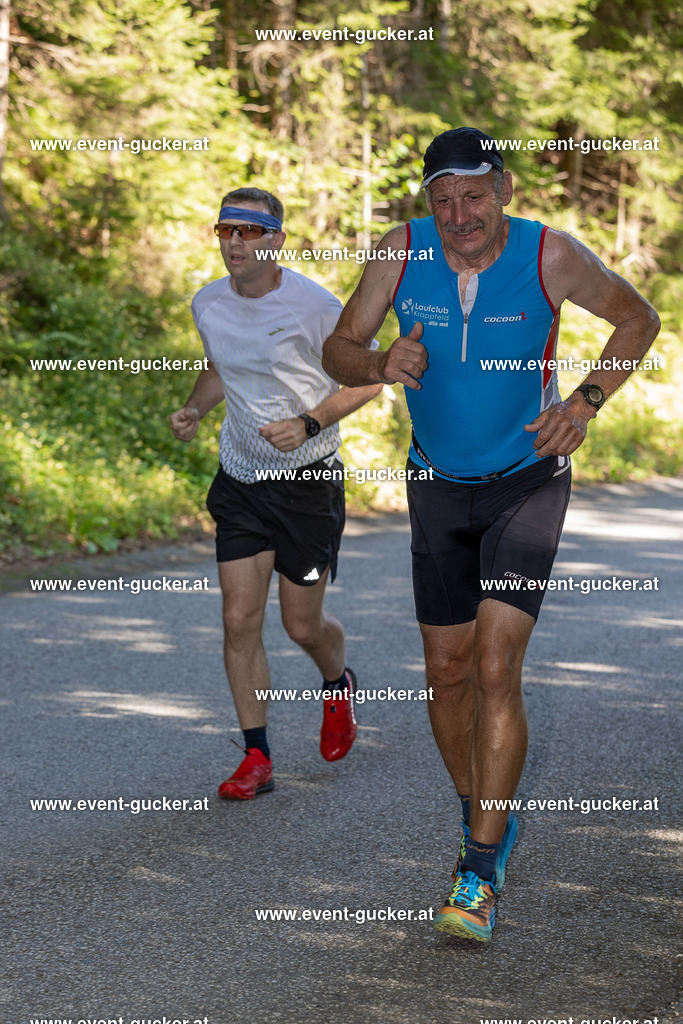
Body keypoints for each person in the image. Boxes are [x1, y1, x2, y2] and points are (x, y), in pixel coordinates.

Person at [322, 128, 660, 941]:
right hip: (436, 484)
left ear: (502, 189)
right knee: (445, 673)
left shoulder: (550, 254)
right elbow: (337, 347)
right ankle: (485, 816)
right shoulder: (400, 253)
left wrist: (582, 404)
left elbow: (636, 319)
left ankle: (475, 869)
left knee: (494, 662)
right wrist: (377, 365)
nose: (458, 214)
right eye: (442, 198)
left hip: (526, 481)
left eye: (472, 194)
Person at [170, 187, 382, 801]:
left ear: (277, 239)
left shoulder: (315, 306)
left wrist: (311, 422)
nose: (235, 243)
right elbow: (220, 369)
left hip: (308, 485)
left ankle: (337, 682)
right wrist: (192, 408)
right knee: (238, 619)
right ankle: (257, 755)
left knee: (301, 625)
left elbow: (369, 381)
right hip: (238, 480)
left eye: (249, 231)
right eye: (225, 231)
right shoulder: (207, 303)